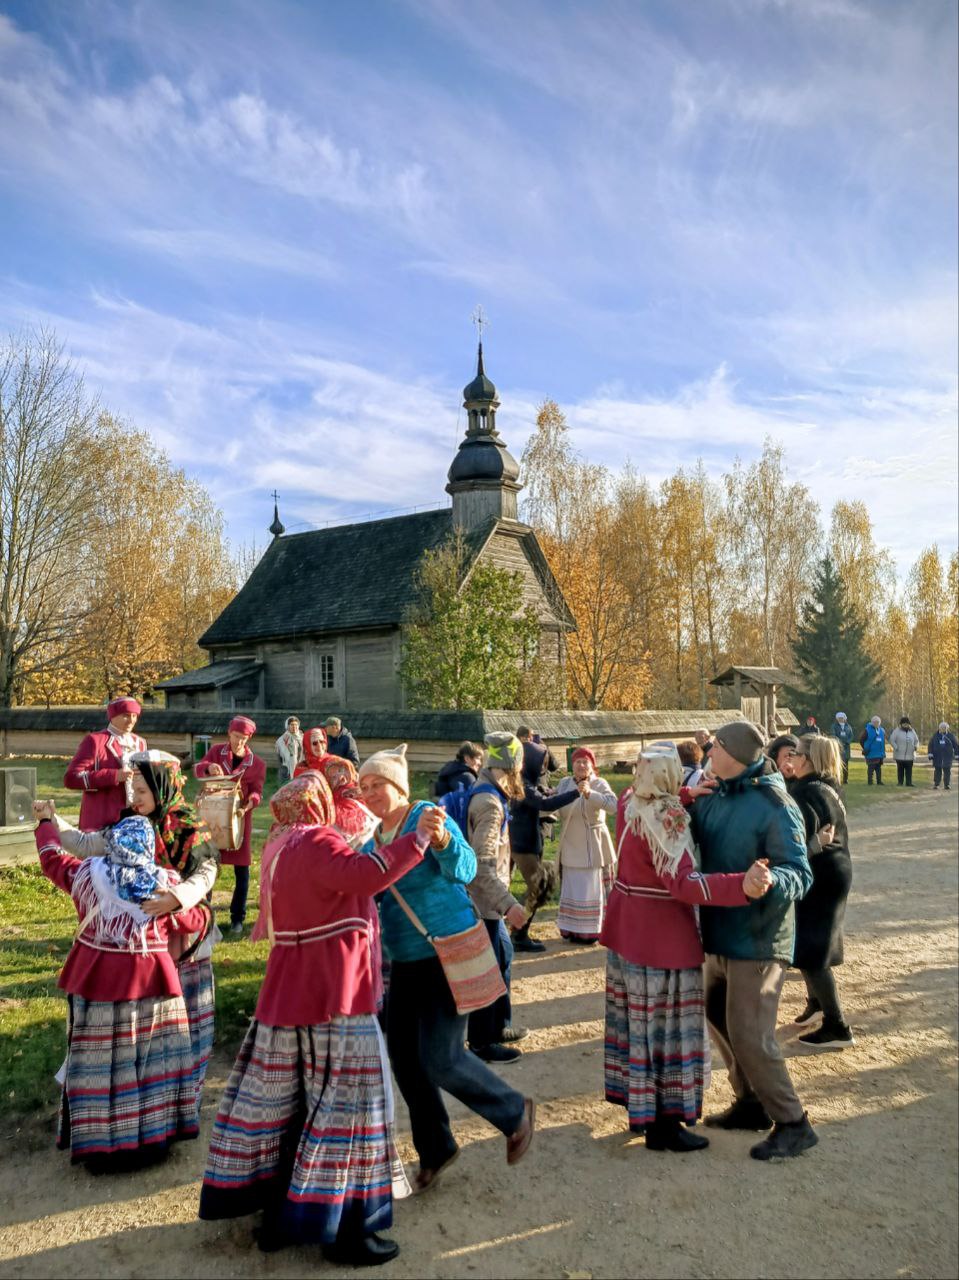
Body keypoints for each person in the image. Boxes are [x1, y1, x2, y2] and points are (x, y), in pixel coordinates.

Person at [200, 773, 430, 1264]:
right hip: (336, 995)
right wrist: (419, 839)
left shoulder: (279, 849)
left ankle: (282, 1218)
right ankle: (348, 1231)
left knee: (296, 1108)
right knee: (352, 1108)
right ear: (321, 806)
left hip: (291, 995)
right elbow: (364, 876)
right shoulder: (318, 839)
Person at [356, 744, 535, 1194]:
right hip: (405, 960)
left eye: (377, 784)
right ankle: (436, 1147)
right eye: (363, 786)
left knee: (441, 1057)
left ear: (397, 785)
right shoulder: (374, 837)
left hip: (447, 954)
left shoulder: (427, 817)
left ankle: (514, 1110)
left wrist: (443, 842)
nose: (369, 792)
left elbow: (468, 868)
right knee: (404, 1060)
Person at [603, 749, 774, 1151]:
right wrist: (740, 886)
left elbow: (655, 802)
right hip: (663, 938)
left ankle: (642, 1109)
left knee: (639, 1026)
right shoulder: (670, 819)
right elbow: (685, 883)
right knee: (666, 1030)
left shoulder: (631, 800)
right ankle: (665, 1124)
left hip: (629, 930)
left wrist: (685, 794)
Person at [33, 809, 207, 1171]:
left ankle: (101, 1147)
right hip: (153, 986)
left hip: (97, 982)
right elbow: (194, 919)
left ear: (113, 842)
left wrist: (45, 826)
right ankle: (151, 1141)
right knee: (151, 1063)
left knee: (100, 1067)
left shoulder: (88, 876)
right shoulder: (164, 885)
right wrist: (189, 900)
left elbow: (52, 861)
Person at [45, 754, 221, 1110]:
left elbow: (207, 872)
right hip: (144, 941)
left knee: (187, 1019)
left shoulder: (188, 827)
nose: (134, 797)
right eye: (130, 789)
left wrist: (176, 898)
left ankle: (188, 1094)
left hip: (184, 935)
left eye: (141, 789)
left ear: (161, 787)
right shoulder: (129, 825)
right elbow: (85, 844)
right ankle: (151, 1099)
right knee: (151, 1029)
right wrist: (50, 820)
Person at [687, 721, 817, 1160]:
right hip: (720, 933)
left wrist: (770, 879)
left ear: (736, 754)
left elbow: (800, 871)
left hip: (759, 939)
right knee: (715, 1014)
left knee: (750, 1032)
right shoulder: (715, 793)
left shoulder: (775, 804)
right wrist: (685, 800)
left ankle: (794, 1122)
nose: (707, 753)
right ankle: (750, 1102)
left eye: (715, 747)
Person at [464, 732, 532, 1061]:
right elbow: (480, 867)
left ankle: (498, 1026)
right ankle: (481, 1041)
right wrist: (509, 904)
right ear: (509, 768)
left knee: (503, 955)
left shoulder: (488, 792)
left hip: (489, 901)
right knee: (488, 970)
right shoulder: (490, 804)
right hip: (483, 902)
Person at [785, 736, 854, 1049]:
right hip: (834, 872)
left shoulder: (806, 792)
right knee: (811, 943)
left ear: (807, 760)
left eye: (796, 753)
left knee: (812, 952)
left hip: (820, 875)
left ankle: (837, 1025)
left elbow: (797, 844)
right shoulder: (827, 785)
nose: (791, 758)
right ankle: (816, 1003)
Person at [194, 716, 266, 937]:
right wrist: (209, 767)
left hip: (238, 819)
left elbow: (257, 791)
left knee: (242, 872)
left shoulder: (257, 763)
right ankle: (204, 916)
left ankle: (237, 918)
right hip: (212, 819)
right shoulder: (216, 752)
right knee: (207, 868)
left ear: (249, 738)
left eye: (243, 739)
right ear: (229, 734)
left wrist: (248, 804)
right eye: (236, 737)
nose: (239, 742)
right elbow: (198, 769)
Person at [507, 747, 580, 954]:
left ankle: (519, 931)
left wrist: (546, 791)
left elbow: (538, 797)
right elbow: (543, 804)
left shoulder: (527, 781)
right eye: (541, 762)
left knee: (537, 888)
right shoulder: (522, 783)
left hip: (528, 840)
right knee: (537, 888)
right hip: (523, 844)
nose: (543, 767)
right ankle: (518, 933)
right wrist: (575, 793)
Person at [555, 748, 618, 944]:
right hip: (570, 842)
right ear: (571, 765)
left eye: (585, 762)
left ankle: (590, 931)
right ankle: (571, 929)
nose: (581, 765)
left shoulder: (600, 783)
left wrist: (591, 794)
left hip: (593, 844)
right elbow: (555, 807)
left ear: (592, 765)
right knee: (573, 887)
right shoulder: (564, 784)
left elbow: (614, 806)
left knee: (590, 887)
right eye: (577, 762)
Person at [64, 697, 147, 830]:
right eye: (126, 715)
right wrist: (114, 776)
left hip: (134, 819)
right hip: (102, 819)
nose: (131, 720)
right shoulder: (95, 741)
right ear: (113, 716)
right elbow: (71, 778)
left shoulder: (140, 743)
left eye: (134, 716)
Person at [890, 717, 920, 787]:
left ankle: (909, 782)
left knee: (909, 770)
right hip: (899, 755)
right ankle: (900, 782)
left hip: (910, 755)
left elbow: (916, 740)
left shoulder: (912, 731)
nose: (906, 725)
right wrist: (896, 747)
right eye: (904, 724)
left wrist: (916, 746)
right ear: (901, 724)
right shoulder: (896, 731)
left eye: (907, 724)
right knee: (900, 770)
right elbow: (892, 740)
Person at [929, 722, 959, 790]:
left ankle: (947, 784)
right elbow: (930, 745)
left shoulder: (951, 736)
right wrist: (930, 753)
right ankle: (936, 784)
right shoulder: (935, 736)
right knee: (937, 770)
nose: (943, 729)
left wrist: (957, 754)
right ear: (939, 728)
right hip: (937, 756)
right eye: (942, 728)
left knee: (947, 771)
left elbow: (956, 746)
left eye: (945, 728)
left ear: (947, 729)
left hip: (948, 756)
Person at [274, 716, 303, 783]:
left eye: (296, 725)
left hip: (300, 766)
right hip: (286, 768)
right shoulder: (282, 739)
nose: (294, 727)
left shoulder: (301, 737)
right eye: (292, 725)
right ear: (287, 726)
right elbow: (280, 755)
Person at [862, 716, 887, 785]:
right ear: (872, 722)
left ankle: (879, 781)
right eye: (875, 722)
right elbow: (862, 740)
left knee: (878, 768)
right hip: (871, 753)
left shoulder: (882, 730)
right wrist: (865, 747)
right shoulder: (867, 730)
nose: (876, 723)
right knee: (871, 768)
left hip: (879, 753)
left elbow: (883, 740)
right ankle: (870, 781)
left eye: (878, 722)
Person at [831, 712, 854, 785]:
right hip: (837, 748)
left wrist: (847, 742)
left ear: (845, 719)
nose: (841, 719)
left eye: (842, 718)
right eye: (839, 718)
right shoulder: (834, 726)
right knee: (836, 764)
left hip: (846, 748)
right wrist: (839, 742)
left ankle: (845, 779)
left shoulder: (848, 726)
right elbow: (833, 735)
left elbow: (851, 736)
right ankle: (836, 779)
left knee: (846, 765)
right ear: (837, 719)